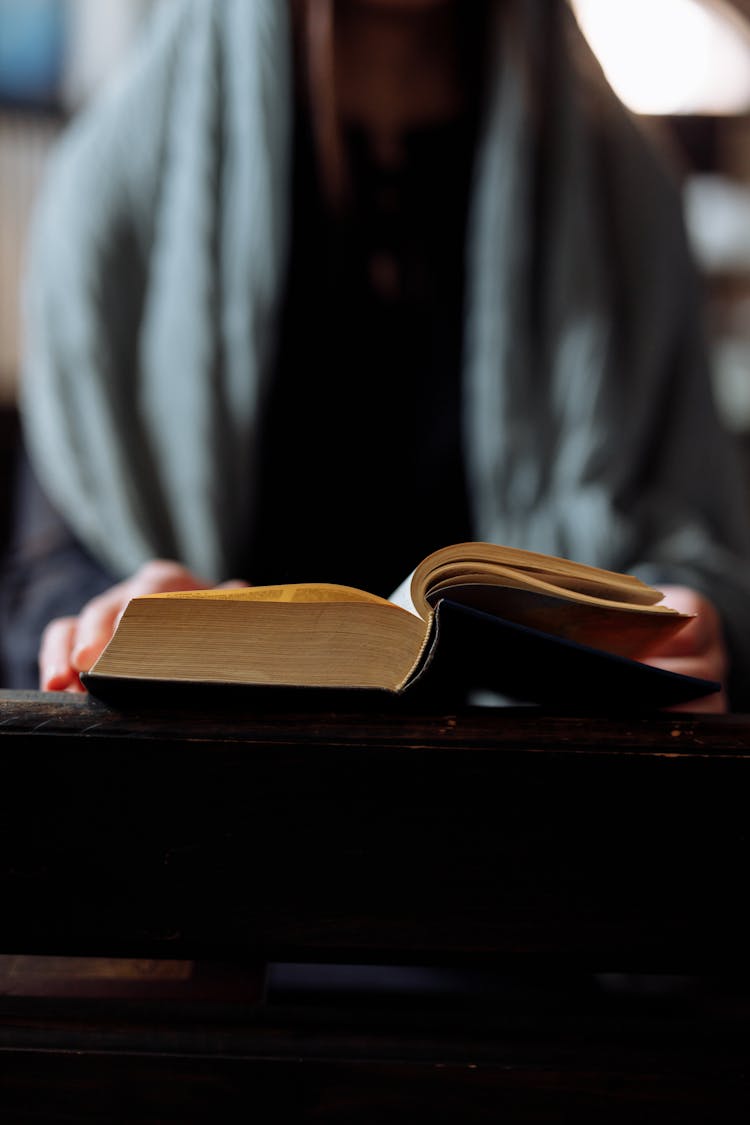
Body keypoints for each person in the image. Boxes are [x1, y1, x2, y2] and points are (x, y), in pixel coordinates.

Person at [1, 0, 748, 710]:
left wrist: (686, 619)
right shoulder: (115, 180)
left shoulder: (628, 191)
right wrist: (107, 615)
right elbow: (51, 570)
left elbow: (694, 535)